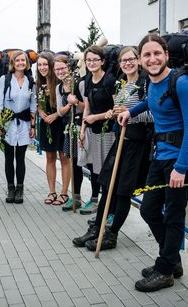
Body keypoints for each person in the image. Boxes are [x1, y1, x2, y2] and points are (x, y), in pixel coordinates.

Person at [118, 33, 188, 292]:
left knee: (174, 215)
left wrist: (180, 167)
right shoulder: (153, 83)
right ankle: (172, 260)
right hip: (160, 156)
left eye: (157, 53)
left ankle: (165, 270)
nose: (152, 58)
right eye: (147, 54)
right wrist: (129, 112)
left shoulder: (183, 83)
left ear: (166, 55)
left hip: (181, 160)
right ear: (142, 60)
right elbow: (152, 101)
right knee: (148, 210)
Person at [73, 46, 153, 250]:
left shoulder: (146, 85)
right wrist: (115, 114)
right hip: (121, 141)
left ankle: (111, 234)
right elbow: (118, 112)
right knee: (108, 187)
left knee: (123, 192)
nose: (127, 63)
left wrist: (130, 113)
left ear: (138, 60)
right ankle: (97, 228)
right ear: (119, 64)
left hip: (137, 144)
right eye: (124, 60)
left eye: (131, 59)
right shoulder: (124, 85)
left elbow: (154, 116)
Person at [0, 50, 36, 204]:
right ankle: (10, 188)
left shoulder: (31, 82)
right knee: (8, 157)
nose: (20, 63)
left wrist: (33, 126)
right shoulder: (4, 80)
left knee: (20, 158)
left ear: (26, 63)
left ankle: (20, 188)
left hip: (24, 123)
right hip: (7, 123)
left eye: (23, 60)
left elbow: (33, 105)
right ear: (13, 63)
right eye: (17, 60)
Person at [78, 46, 116, 214]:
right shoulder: (87, 80)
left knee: (107, 170)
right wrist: (83, 128)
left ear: (102, 61)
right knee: (95, 168)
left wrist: (96, 117)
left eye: (95, 60)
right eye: (88, 60)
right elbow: (87, 106)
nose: (92, 63)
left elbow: (117, 110)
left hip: (108, 132)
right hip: (92, 130)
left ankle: (109, 210)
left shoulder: (109, 80)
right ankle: (98, 204)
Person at [36, 52, 70, 206]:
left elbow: (66, 104)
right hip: (46, 122)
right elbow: (37, 102)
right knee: (49, 157)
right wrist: (41, 112)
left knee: (64, 158)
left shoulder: (59, 80)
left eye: (45, 64)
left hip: (60, 121)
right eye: (40, 65)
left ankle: (64, 193)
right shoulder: (38, 82)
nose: (42, 67)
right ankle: (52, 191)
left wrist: (55, 115)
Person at [55, 55, 86, 210]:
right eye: (57, 69)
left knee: (85, 163)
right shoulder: (59, 88)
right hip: (69, 127)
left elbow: (86, 107)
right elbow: (60, 112)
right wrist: (69, 104)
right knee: (74, 163)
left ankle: (93, 199)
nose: (60, 71)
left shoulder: (78, 83)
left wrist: (77, 102)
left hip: (82, 126)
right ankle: (75, 197)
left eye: (62, 68)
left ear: (68, 67)